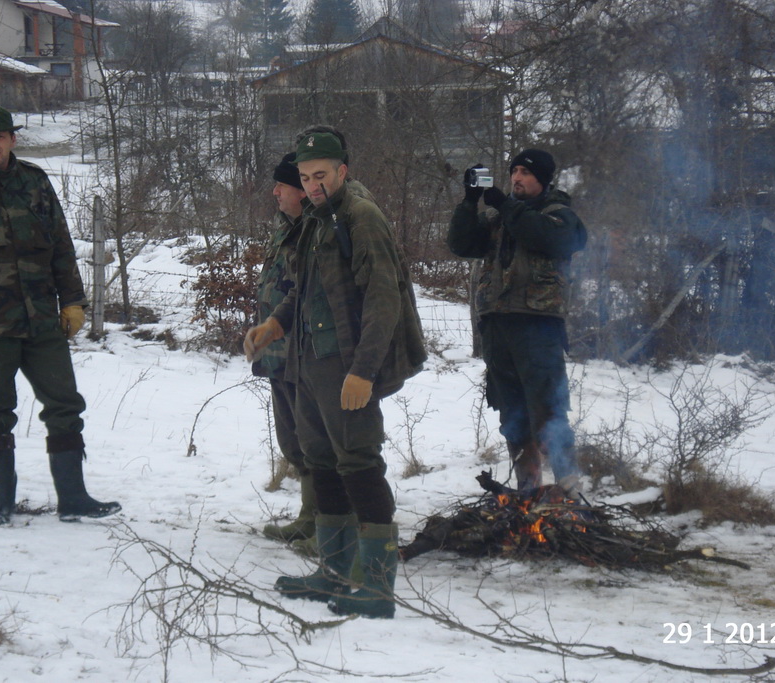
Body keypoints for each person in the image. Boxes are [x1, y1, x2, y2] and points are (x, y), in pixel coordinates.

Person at [244, 132, 426, 618]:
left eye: (320, 174)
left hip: (344, 366)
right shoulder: (315, 221)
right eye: (305, 178)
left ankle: (377, 586)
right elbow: (304, 288)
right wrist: (274, 324)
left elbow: (383, 300)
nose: (312, 184)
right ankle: (335, 571)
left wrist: (363, 372)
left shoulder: (361, 218)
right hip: (307, 363)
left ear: (342, 170)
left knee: (360, 466)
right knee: (321, 464)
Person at [0, 106, 120, 525]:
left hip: (41, 320)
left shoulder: (35, 182)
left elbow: (60, 244)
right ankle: (3, 501)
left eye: (1, 137)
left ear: (13, 140)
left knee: (65, 405)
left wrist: (73, 301)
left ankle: (73, 498)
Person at [447, 149, 588, 494]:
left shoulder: (558, 214)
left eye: (525, 172)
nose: (516, 178)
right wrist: (470, 202)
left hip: (537, 327)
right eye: (514, 172)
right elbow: (461, 243)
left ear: (542, 179)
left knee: (548, 409)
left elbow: (545, 236)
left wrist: (506, 206)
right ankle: (528, 490)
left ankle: (569, 489)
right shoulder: (501, 218)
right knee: (512, 413)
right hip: (498, 327)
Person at [255, 153, 315, 546]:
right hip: (278, 352)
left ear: (303, 189)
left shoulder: (316, 229)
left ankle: (329, 520)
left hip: (307, 353)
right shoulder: (286, 226)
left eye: (282, 185)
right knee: (292, 440)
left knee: (315, 441)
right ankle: (311, 515)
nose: (274, 192)